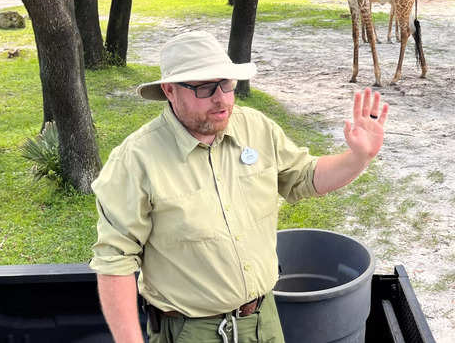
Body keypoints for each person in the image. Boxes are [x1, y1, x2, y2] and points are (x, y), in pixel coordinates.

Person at [90, 30, 389, 343]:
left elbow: (304, 176)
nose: (221, 98)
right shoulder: (135, 160)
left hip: (263, 320)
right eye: (205, 87)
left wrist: (357, 158)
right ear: (169, 90)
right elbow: (115, 262)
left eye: (227, 83)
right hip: (192, 333)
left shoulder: (255, 127)